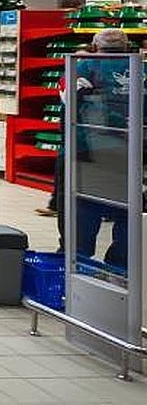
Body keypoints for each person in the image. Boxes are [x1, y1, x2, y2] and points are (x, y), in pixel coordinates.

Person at [52, 28, 141, 266]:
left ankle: (76, 264)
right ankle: (120, 267)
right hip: (130, 154)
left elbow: (68, 98)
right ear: (126, 46)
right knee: (127, 212)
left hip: (85, 151)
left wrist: (117, 123)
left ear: (94, 47)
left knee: (81, 211)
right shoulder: (141, 69)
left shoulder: (83, 67)